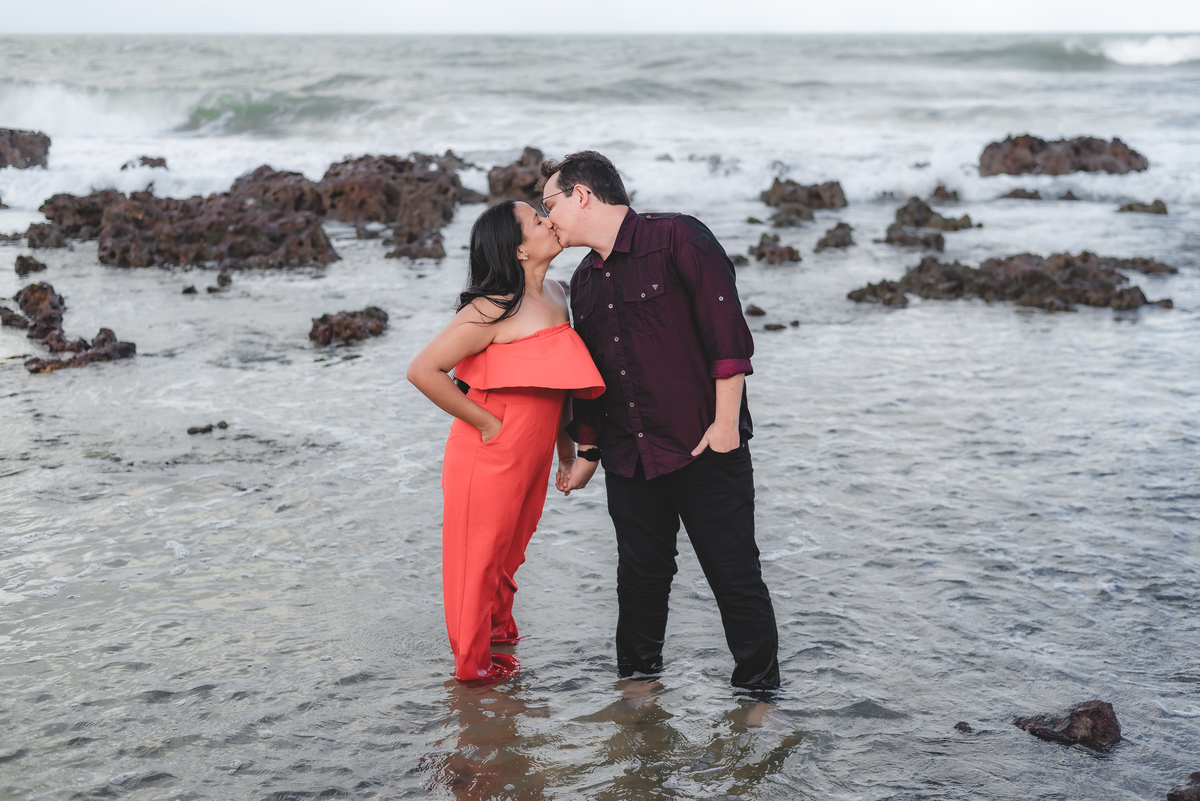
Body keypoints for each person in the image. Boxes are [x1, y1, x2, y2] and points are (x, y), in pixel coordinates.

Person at [542, 151, 781, 696]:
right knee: (639, 584)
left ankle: (760, 698)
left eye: (549, 203)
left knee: (735, 578)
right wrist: (589, 456)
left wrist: (725, 427)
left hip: (705, 446)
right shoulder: (582, 281)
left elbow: (728, 337)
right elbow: (597, 383)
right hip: (630, 458)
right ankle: (638, 693)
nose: (547, 216)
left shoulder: (679, 237)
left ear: (582, 194)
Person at [407, 200, 604, 684]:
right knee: (476, 562)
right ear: (518, 249)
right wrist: (489, 425)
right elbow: (423, 371)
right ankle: (472, 672)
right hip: (488, 453)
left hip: (534, 452)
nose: (550, 221)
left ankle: (498, 639)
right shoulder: (493, 306)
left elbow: (557, 380)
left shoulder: (557, 293)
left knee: (511, 551)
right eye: (539, 220)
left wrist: (566, 449)